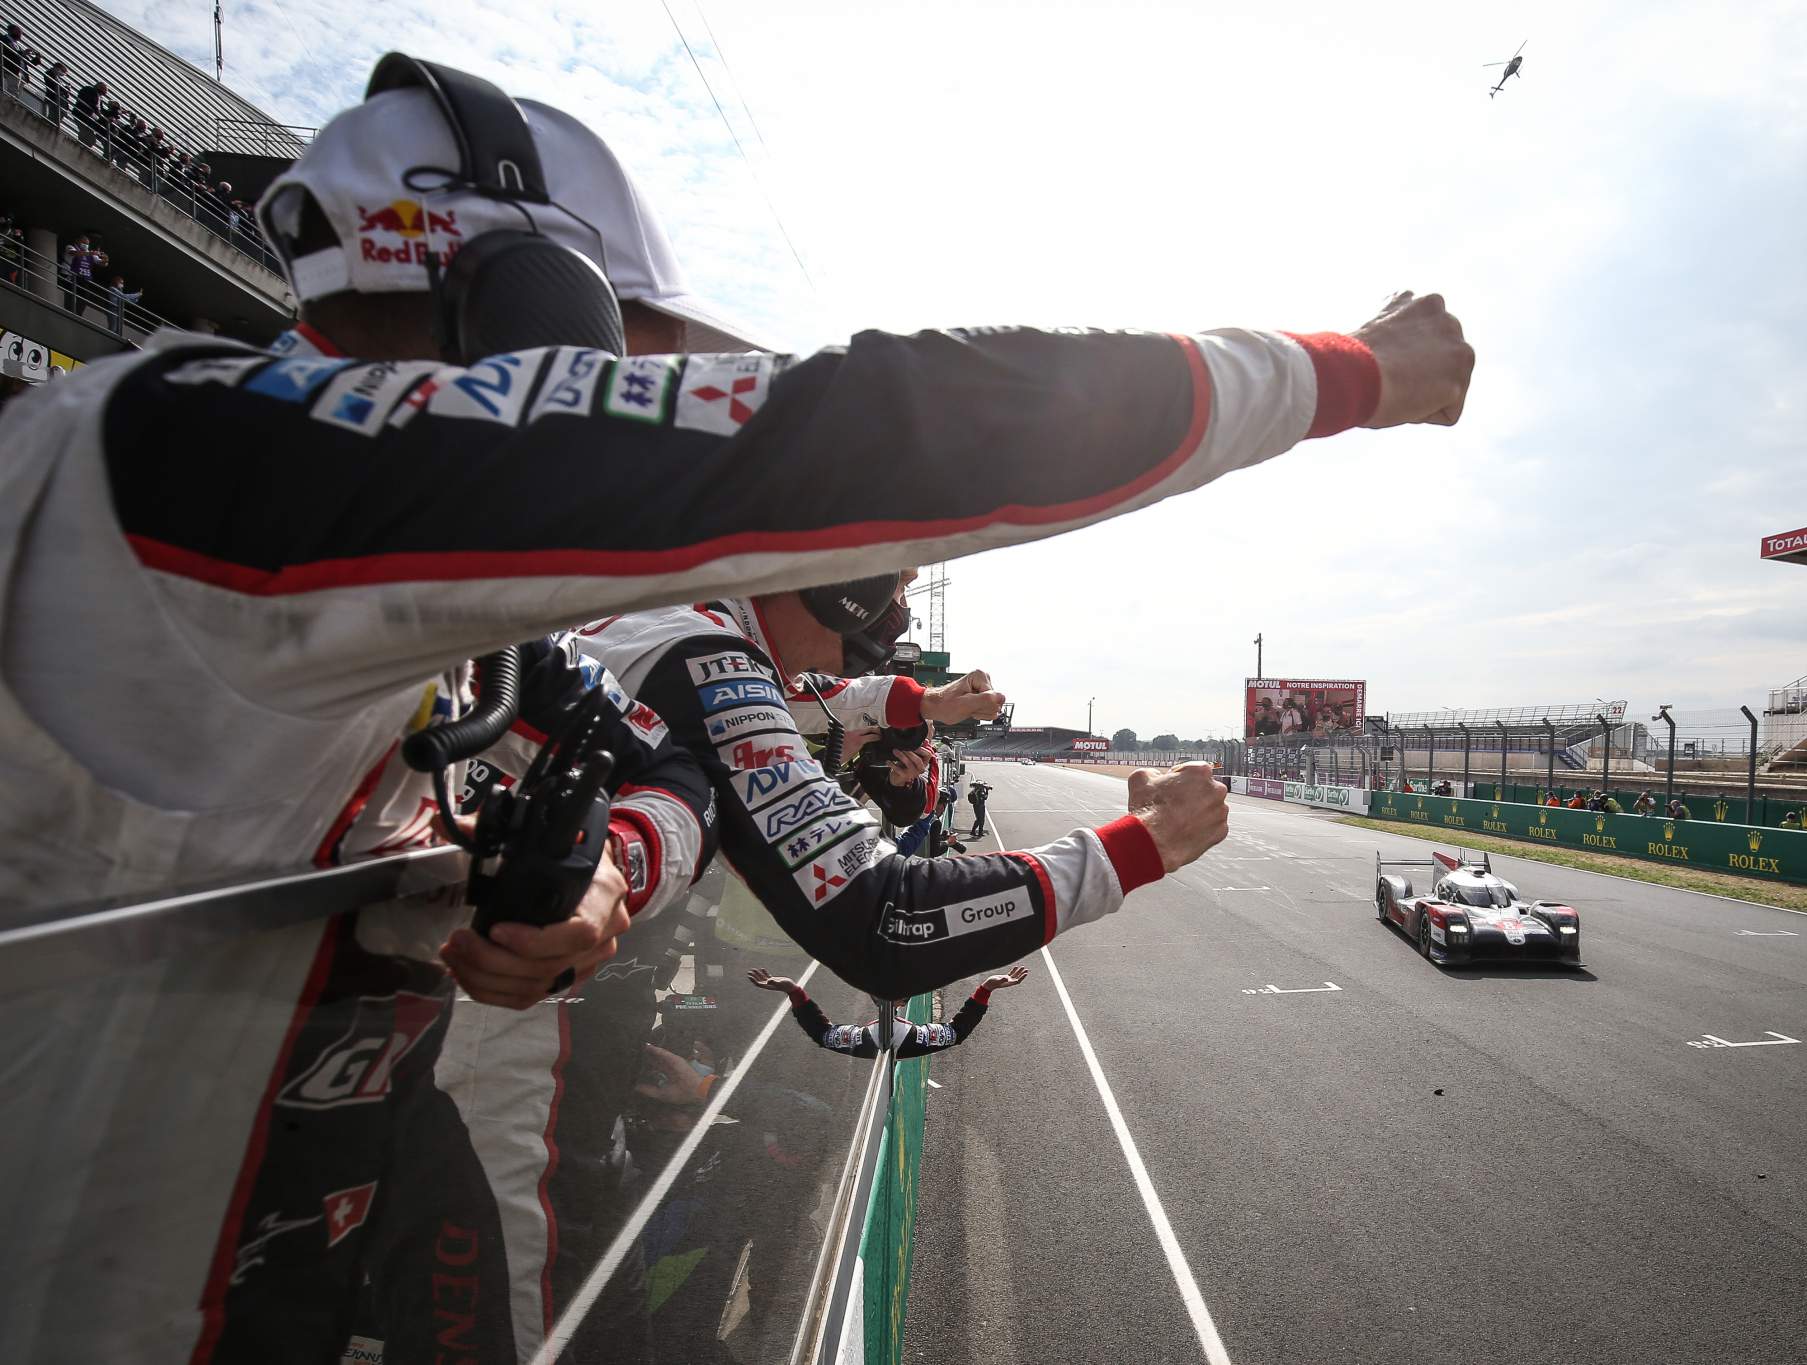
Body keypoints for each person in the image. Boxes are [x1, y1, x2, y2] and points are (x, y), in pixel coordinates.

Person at [0, 53, 1474, 1364]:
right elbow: (879, 426)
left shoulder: (384, 593)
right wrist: (1347, 376)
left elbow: (653, 765)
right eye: (647, 353)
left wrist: (601, 883)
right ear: (532, 296)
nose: (663, 390)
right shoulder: (185, 453)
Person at [747, 963, 1026, 1059]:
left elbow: (824, 1034)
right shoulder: (909, 1036)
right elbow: (956, 1032)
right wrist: (985, 989)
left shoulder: (870, 1038)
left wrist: (794, 991)